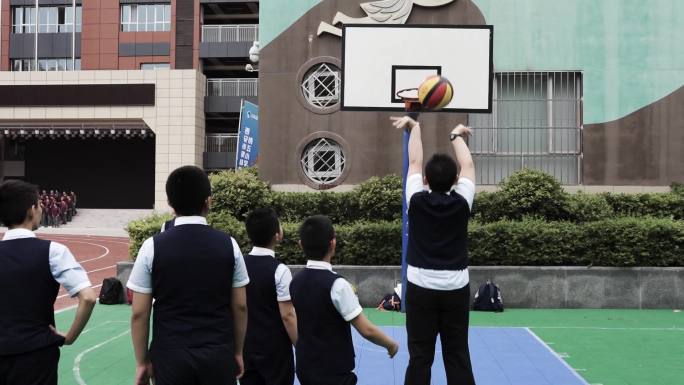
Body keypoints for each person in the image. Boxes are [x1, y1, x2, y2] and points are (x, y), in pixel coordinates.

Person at [127, 166, 250, 385]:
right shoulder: (229, 245)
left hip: (170, 355)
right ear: (208, 201)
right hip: (217, 352)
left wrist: (141, 361)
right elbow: (240, 306)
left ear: (170, 204)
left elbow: (139, 313)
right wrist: (238, 351)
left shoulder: (151, 246)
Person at [390, 116, 477, 385]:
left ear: (426, 179)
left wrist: (415, 127)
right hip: (455, 288)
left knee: (420, 356)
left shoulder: (415, 200)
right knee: (457, 355)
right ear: (456, 180)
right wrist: (456, 136)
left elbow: (414, 161)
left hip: (420, 288)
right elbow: (469, 164)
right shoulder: (462, 201)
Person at [0, 180, 97, 385]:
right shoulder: (54, 251)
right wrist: (69, 337)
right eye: (39, 204)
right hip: (36, 354)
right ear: (31, 209)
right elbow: (88, 297)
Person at [290, 215, 399, 385]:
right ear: (332, 243)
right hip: (334, 370)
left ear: (300, 244)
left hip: (305, 366)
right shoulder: (337, 285)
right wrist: (390, 344)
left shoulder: (295, 281)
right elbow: (366, 330)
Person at [241, 208, 297, 385]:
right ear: (277, 235)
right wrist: (301, 347)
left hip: (246, 346)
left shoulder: (238, 265)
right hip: (276, 352)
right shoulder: (280, 270)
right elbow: (288, 315)